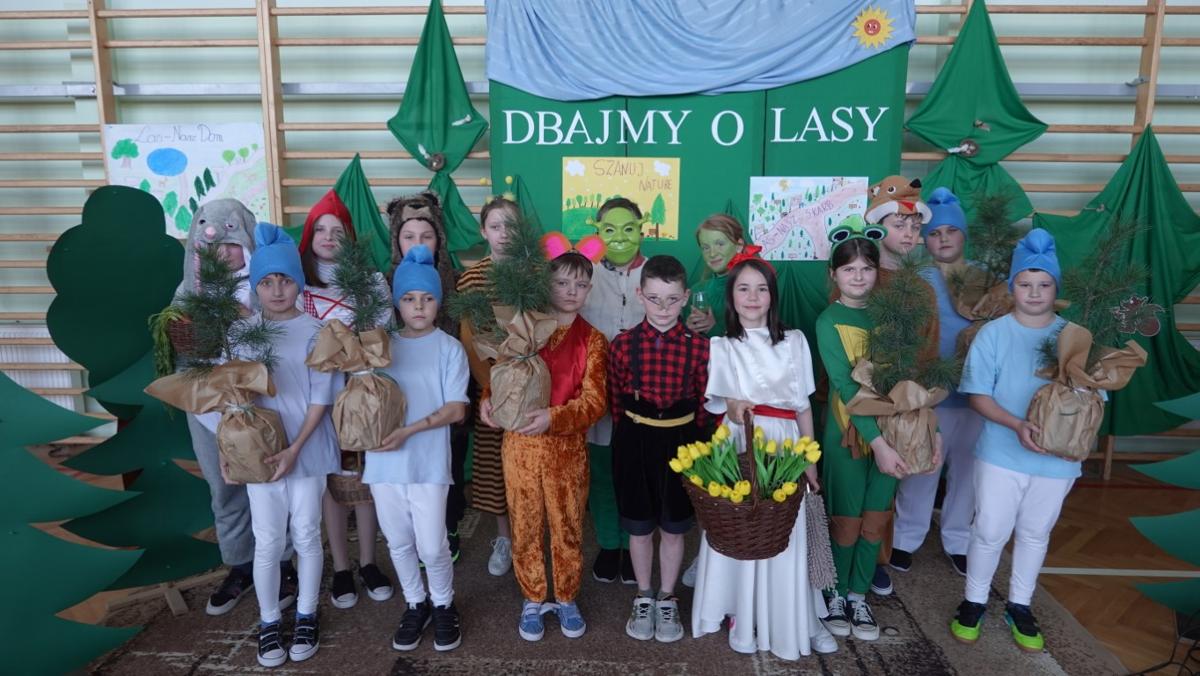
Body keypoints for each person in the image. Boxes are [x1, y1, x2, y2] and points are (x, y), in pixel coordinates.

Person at [691, 253, 837, 659]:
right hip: (742, 441)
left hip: (786, 444)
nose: (752, 297)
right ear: (731, 297)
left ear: (772, 296)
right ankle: (741, 611)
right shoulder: (722, 345)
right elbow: (724, 403)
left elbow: (803, 407)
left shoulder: (795, 341)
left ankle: (796, 616)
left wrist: (810, 460)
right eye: (743, 289)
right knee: (744, 526)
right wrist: (736, 408)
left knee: (783, 528)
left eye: (761, 289)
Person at [950, 229, 1077, 654]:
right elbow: (978, 395)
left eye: (1044, 284)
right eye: (1025, 284)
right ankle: (974, 601)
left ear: (1056, 288)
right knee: (989, 529)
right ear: (1012, 287)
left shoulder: (1074, 337)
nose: (1035, 293)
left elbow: (1092, 397)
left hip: (1057, 459)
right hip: (1002, 453)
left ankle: (1020, 605)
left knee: (1035, 532)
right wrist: (1016, 424)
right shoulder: (993, 334)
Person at [816, 219, 940, 642]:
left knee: (875, 518)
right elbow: (847, 387)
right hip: (848, 434)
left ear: (877, 272)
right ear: (834, 274)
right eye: (848, 269)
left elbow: (914, 380)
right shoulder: (829, 321)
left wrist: (931, 432)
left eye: (866, 269)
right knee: (846, 517)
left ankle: (858, 594)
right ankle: (834, 593)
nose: (858, 277)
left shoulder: (893, 318)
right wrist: (879, 444)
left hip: (897, 432)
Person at [175, 199, 300, 617]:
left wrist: (245, 315)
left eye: (232, 244)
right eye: (213, 246)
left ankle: (283, 563)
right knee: (224, 487)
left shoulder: (267, 285)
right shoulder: (188, 293)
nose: (223, 253)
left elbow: (284, 340)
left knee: (271, 482)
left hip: (261, 402)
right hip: (208, 407)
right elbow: (180, 347)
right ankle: (240, 564)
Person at [482, 245, 608, 641]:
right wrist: (487, 400)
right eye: (562, 282)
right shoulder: (523, 328)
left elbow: (595, 402)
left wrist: (554, 417)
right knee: (525, 523)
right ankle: (533, 597)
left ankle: (567, 596)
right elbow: (502, 376)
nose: (571, 291)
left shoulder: (593, 340)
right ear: (546, 284)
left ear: (589, 290)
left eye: (580, 285)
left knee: (567, 525)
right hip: (519, 446)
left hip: (566, 451)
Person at [240, 224, 339, 667]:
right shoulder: (241, 335)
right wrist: (232, 453)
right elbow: (232, 400)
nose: (277, 290)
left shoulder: (317, 332)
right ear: (256, 287)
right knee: (266, 539)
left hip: (307, 448)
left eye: (285, 279)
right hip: (259, 454)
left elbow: (321, 397)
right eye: (267, 281)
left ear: (298, 282)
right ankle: (268, 620)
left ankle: (306, 614)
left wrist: (295, 448)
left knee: (306, 533)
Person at [366, 244, 468, 653]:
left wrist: (410, 431)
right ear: (397, 303)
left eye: (427, 298)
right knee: (398, 542)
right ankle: (416, 603)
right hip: (383, 463)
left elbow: (457, 408)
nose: (419, 306)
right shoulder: (381, 346)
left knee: (432, 544)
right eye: (409, 299)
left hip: (428, 463)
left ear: (439, 302)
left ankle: (443, 603)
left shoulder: (449, 348)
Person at [298, 191, 395, 609]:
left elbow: (382, 331)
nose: (328, 237)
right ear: (309, 235)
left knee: (365, 479)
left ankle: (369, 562)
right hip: (317, 399)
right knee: (330, 481)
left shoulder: (370, 282)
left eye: (337, 231)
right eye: (320, 229)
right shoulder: (298, 285)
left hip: (361, 395)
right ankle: (340, 567)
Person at [608, 255, 710, 643]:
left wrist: (697, 450)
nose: (663, 308)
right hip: (635, 441)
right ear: (640, 295)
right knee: (639, 527)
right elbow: (616, 402)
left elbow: (704, 404)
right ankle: (643, 594)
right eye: (654, 299)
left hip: (682, 443)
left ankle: (667, 596)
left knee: (673, 526)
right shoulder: (623, 345)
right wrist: (627, 439)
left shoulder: (700, 348)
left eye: (672, 300)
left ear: (685, 297)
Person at [890, 187, 983, 577]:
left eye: (951, 231)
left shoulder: (985, 279)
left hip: (977, 397)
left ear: (963, 234)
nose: (943, 239)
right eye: (934, 233)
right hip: (930, 395)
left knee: (968, 472)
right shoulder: (915, 280)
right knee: (922, 467)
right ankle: (905, 537)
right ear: (924, 240)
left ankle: (958, 539)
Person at [856, 175, 940, 598]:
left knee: (886, 488)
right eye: (898, 224)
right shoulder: (858, 281)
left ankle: (876, 559)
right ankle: (841, 558)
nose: (908, 233)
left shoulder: (922, 290)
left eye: (915, 226)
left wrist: (929, 421)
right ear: (877, 227)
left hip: (902, 407)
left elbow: (928, 358)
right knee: (852, 487)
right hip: (857, 405)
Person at [388, 192, 469, 562]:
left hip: (447, 396)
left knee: (448, 466)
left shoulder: (456, 287)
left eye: (427, 236)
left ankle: (446, 528)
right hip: (401, 402)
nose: (418, 243)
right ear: (397, 240)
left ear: (439, 240)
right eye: (409, 236)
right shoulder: (386, 286)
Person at [579, 197, 648, 584]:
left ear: (641, 230)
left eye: (628, 227)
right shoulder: (585, 273)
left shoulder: (655, 273)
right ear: (599, 231)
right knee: (603, 473)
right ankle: (609, 544)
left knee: (636, 473)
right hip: (597, 390)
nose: (619, 236)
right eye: (610, 228)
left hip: (643, 392)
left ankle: (633, 542)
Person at [457, 195, 518, 576]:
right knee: (495, 468)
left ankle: (531, 535)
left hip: (532, 386)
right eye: (496, 226)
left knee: (530, 466)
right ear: (484, 232)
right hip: (491, 389)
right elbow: (470, 340)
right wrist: (490, 388)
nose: (503, 233)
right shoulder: (472, 279)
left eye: (510, 226)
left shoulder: (537, 273)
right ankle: (504, 537)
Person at [684, 213, 747, 338]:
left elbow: (756, 342)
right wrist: (687, 331)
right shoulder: (697, 290)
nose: (712, 254)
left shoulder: (752, 290)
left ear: (739, 246)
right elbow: (685, 341)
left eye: (720, 244)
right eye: (705, 247)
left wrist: (713, 328)